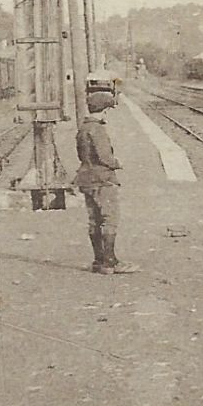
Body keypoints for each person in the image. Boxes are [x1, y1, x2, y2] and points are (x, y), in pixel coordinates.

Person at [75, 91, 136, 275]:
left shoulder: (83, 128)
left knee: (94, 220)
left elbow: (81, 155)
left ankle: (98, 260)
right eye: (107, 110)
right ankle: (110, 262)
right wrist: (117, 163)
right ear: (103, 110)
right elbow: (104, 156)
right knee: (110, 218)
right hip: (102, 179)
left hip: (86, 179)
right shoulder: (98, 129)